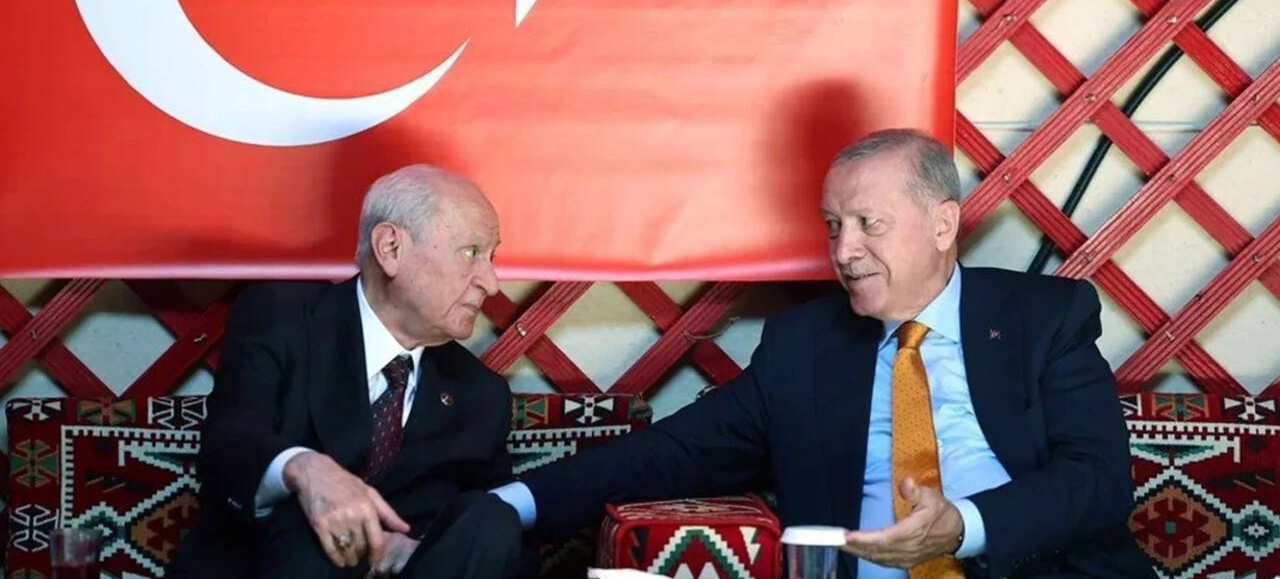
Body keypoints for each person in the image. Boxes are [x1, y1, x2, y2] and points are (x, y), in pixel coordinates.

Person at [494, 129, 1155, 578]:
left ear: (943, 224)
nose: (844, 251)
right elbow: (674, 452)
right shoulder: (803, 347)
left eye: (870, 224)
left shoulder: (1042, 318)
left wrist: (961, 527)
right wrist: (512, 503)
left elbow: (1098, 480)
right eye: (833, 226)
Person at [168, 165, 526, 579]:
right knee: (308, 531)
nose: (491, 283)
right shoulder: (283, 318)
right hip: (272, 566)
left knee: (493, 520)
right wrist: (305, 469)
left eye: (491, 258)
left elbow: (490, 542)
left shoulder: (482, 395)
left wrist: (426, 547)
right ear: (390, 248)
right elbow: (230, 439)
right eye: (471, 252)